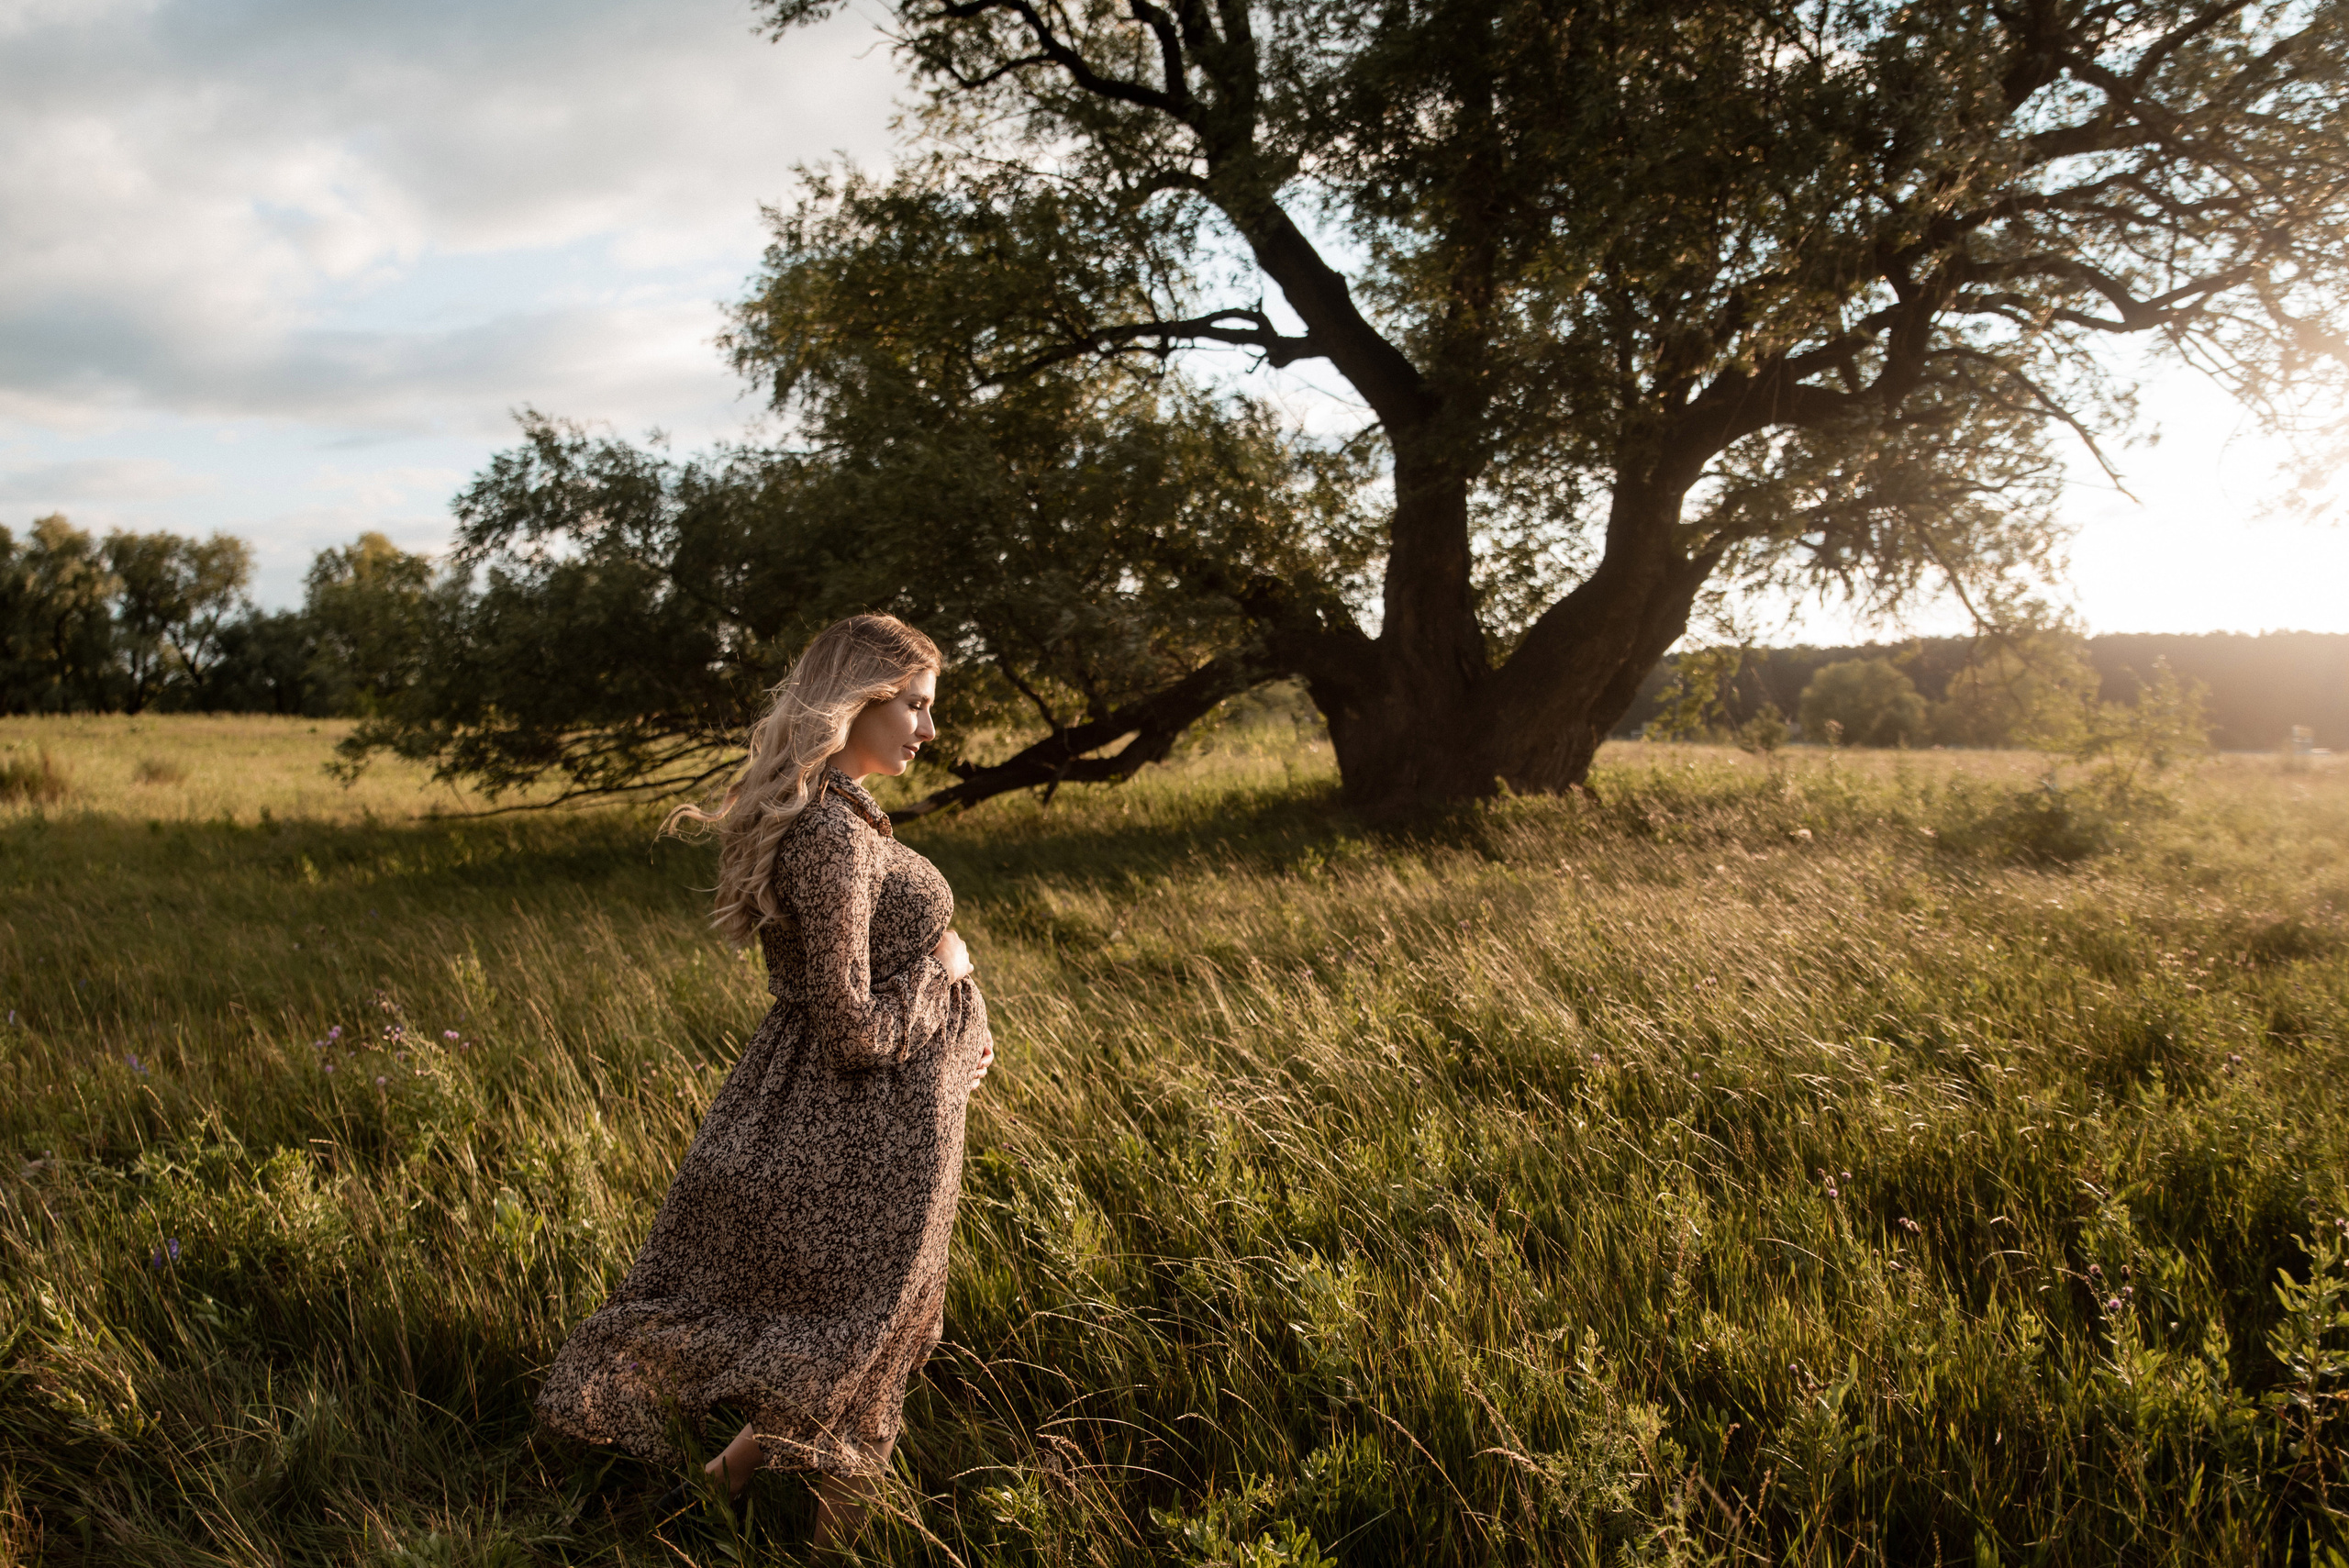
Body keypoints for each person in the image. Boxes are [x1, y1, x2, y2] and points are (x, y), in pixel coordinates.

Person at [535, 614, 995, 1553]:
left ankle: (710, 1496)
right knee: (860, 1344)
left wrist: (960, 1049)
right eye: (912, 704)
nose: (928, 729)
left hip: (890, 1128)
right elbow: (857, 1030)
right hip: (858, 1138)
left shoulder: (850, 815)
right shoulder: (831, 833)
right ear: (854, 699)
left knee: (860, 1344)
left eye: (928, 707)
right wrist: (943, 969)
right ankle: (819, 1546)